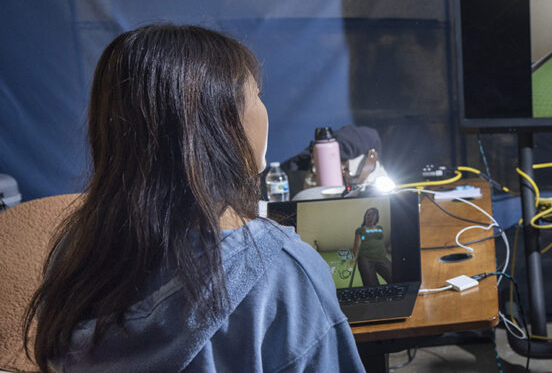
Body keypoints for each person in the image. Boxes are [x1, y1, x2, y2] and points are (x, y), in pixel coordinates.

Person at [23, 24, 365, 372]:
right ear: (219, 121)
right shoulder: (281, 273)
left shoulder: (76, 256)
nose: (264, 107)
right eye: (257, 94)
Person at [351, 207, 392, 286]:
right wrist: (354, 256)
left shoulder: (380, 228)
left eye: (373, 214)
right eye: (368, 214)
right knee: (370, 284)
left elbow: (380, 241)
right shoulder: (360, 230)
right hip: (365, 257)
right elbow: (356, 244)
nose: (371, 216)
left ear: (376, 217)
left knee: (394, 277)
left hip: (381, 257)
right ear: (365, 216)